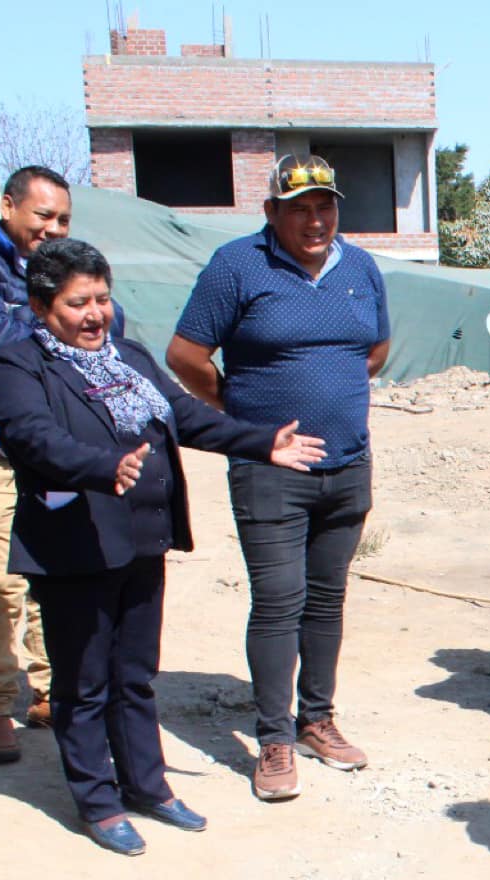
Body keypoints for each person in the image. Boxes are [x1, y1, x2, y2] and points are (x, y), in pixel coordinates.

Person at [0, 239, 325, 854]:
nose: (94, 314)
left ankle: (147, 784)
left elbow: (186, 415)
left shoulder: (130, 358)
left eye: (101, 299)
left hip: (141, 539)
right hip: (74, 548)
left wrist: (260, 443)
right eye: (77, 303)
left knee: (135, 675)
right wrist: (102, 466)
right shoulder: (20, 366)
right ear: (41, 306)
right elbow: (32, 438)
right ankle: (97, 800)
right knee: (83, 683)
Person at [167, 154, 391, 802]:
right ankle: (274, 738)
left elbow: (374, 349)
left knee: (326, 599)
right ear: (271, 212)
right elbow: (184, 355)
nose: (315, 219)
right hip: (270, 472)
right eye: (300, 208)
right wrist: (246, 423)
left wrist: (332, 390)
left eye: (325, 205)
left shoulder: (362, 268)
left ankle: (317, 717)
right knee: (279, 599)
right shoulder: (237, 266)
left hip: (348, 466)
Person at [0, 165, 124, 764]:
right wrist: (61, 319)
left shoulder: (69, 268)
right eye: (43, 215)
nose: (53, 228)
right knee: (1, 577)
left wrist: (65, 314)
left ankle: (50, 689)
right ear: (9, 206)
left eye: (64, 218)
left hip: (61, 445)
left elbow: (108, 327)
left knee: (59, 568)